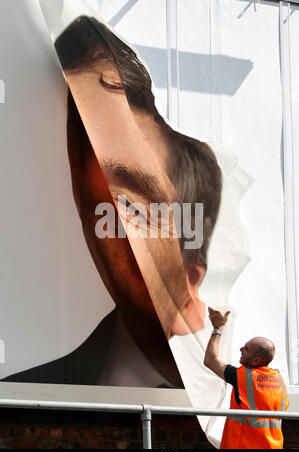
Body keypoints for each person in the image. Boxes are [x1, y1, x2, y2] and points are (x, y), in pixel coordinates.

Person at [2, 16, 222, 388]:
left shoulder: (221, 399)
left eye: (134, 208)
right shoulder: (31, 387)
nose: (102, 229)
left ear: (191, 280)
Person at [204, 307, 289, 449]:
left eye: (246, 349)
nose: (241, 349)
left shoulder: (244, 377)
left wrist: (218, 328)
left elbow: (210, 360)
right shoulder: (278, 378)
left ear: (256, 360)